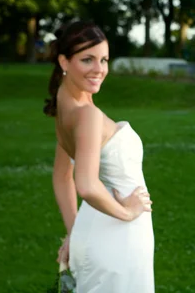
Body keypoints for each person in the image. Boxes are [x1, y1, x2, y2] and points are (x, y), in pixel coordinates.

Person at [45, 21, 154, 292]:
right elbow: (86, 184)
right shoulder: (87, 115)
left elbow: (61, 177)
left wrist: (74, 231)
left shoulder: (68, 106)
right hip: (117, 236)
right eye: (87, 59)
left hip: (96, 231)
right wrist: (128, 212)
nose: (99, 69)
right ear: (64, 61)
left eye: (104, 59)